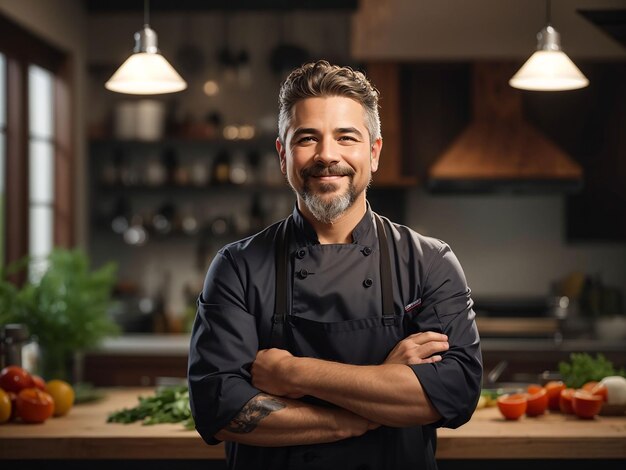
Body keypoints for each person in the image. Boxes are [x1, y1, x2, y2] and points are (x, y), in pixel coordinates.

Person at [188, 60, 482, 470]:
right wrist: (363, 412)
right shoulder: (237, 267)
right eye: (307, 138)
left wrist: (293, 372)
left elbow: (456, 394)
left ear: (374, 152)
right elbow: (219, 408)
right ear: (282, 153)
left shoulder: (429, 261)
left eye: (346, 137)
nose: (327, 155)